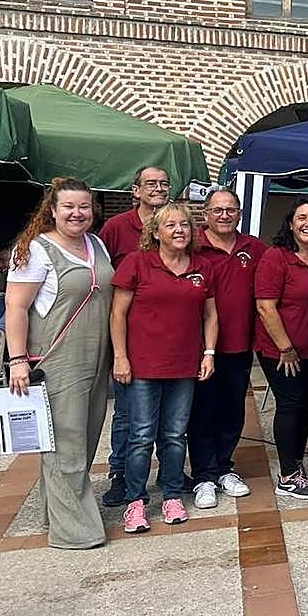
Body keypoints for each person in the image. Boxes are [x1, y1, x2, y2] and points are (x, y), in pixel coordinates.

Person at [4, 178, 114, 549]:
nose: (77, 213)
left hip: (97, 354)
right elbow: (16, 307)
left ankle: (57, 511)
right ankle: (76, 531)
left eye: (84, 206)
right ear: (52, 210)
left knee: (85, 435)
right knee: (65, 442)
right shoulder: (36, 249)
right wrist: (18, 360)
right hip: (58, 357)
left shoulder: (95, 244)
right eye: (68, 207)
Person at [111, 203, 217, 534]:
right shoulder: (137, 263)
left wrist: (209, 353)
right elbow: (117, 314)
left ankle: (172, 495)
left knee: (174, 435)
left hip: (184, 366)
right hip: (142, 366)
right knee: (141, 436)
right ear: (155, 232)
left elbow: (210, 315)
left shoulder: (202, 267)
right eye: (170, 225)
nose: (179, 230)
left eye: (185, 225)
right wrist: (120, 356)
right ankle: (136, 501)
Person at [187, 188, 266, 509]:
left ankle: (224, 467)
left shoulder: (254, 248)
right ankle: (203, 475)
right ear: (205, 214)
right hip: (199, 347)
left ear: (239, 214)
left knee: (233, 410)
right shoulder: (192, 246)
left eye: (230, 210)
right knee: (202, 411)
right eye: (217, 210)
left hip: (238, 344)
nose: (224, 215)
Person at [98, 165, 169, 508]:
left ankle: (167, 474)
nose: (158, 188)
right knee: (127, 414)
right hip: (129, 338)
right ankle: (120, 474)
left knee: (169, 417)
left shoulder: (179, 226)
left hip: (168, 341)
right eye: (150, 184)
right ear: (135, 190)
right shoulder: (116, 227)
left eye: (164, 183)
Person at [255, 198, 308, 500]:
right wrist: (285, 347)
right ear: (291, 223)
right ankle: (288, 476)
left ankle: (296, 467)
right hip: (281, 351)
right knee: (289, 406)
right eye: (302, 218)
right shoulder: (277, 257)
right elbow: (265, 306)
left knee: (302, 406)